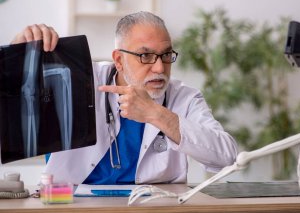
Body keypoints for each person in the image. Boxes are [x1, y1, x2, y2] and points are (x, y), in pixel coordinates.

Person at [11, 11, 238, 185]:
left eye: (166, 55)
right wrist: (17, 54)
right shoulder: (77, 79)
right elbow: (14, 103)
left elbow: (228, 156)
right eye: (145, 55)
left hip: (152, 206)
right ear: (119, 60)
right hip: (73, 203)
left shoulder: (184, 98)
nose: (159, 67)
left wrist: (157, 114)